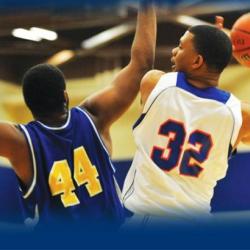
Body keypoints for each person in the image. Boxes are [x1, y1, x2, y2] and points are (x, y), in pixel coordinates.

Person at [0, 2, 156, 227]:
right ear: (65, 96)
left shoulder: (22, 142)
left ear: (28, 104)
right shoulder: (94, 117)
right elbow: (142, 65)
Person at [122, 19, 250, 225]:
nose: (174, 51)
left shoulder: (155, 84)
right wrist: (219, 48)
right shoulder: (240, 115)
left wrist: (214, 41)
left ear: (198, 61)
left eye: (181, 47)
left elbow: (152, 69)